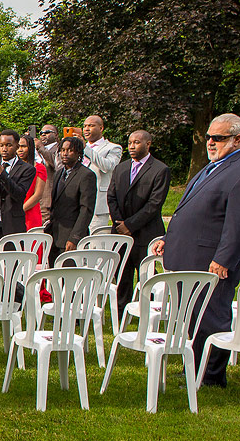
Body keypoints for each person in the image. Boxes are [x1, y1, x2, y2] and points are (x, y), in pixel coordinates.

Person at [154, 113, 240, 388]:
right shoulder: (211, 167)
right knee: (193, 317)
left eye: (219, 138)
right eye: (209, 137)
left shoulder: (237, 170)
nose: (211, 143)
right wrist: (169, 237)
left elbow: (236, 224)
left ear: (237, 140)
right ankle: (196, 367)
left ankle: (212, 376)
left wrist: (223, 259)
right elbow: (191, 211)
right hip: (189, 256)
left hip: (212, 260)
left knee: (212, 316)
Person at [107, 130, 170, 309]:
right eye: (129, 143)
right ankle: (121, 314)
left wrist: (130, 225)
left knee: (147, 277)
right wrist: (120, 223)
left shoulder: (160, 169)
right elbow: (111, 196)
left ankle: (148, 313)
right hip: (121, 233)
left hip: (146, 233)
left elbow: (154, 203)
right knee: (122, 277)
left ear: (148, 144)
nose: (132, 146)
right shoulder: (121, 168)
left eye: (136, 142)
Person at [45, 136, 97, 265]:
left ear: (79, 153)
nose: (65, 153)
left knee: (68, 276)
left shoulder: (86, 175)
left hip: (71, 236)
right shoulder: (58, 173)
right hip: (55, 235)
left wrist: (75, 237)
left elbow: (86, 209)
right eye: (62, 150)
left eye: (70, 150)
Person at [81, 115, 123, 232]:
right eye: (85, 126)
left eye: (91, 126)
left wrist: (86, 148)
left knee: (95, 240)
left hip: (97, 203)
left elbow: (107, 166)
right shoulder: (78, 148)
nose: (87, 129)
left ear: (101, 128)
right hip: (79, 200)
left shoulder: (113, 148)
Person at [16, 134, 48, 230]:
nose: (20, 150)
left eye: (24, 146)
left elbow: (37, 195)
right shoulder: (13, 167)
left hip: (30, 213)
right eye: (18, 146)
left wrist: (20, 210)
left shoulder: (39, 168)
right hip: (13, 214)